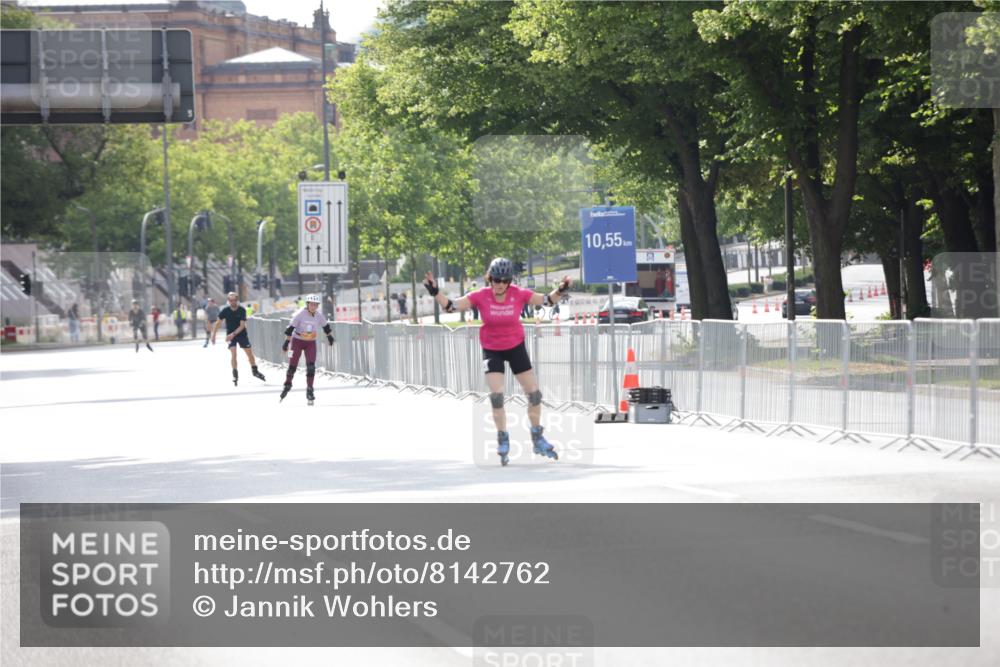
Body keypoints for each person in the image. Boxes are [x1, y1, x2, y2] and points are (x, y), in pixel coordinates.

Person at [423, 257, 571, 466]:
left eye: (504, 281)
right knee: (497, 396)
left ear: (509, 281)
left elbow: (546, 300)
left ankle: (537, 436)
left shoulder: (518, 294)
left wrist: (561, 289)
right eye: (496, 280)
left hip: (515, 347)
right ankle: (503, 437)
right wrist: (435, 291)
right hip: (492, 349)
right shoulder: (481, 296)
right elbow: (451, 307)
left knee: (535, 394)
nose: (500, 285)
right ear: (490, 279)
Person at [279, 293, 335, 405]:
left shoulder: (319, 315)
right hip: (297, 342)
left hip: (310, 343)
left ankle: (310, 390)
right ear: (307, 304)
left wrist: (330, 337)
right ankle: (288, 384)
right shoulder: (300, 314)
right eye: (311, 305)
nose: (313, 307)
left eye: (315, 305)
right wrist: (286, 342)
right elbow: (290, 329)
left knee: (311, 367)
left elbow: (326, 327)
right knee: (292, 367)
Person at [211, 292, 266, 386]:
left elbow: (242, 326)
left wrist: (233, 334)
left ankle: (255, 371)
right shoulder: (225, 310)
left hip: (241, 334)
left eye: (234, 300)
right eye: (231, 300)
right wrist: (213, 335)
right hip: (230, 335)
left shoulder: (242, 310)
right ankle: (235, 374)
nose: (233, 302)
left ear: (237, 300)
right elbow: (218, 323)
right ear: (228, 301)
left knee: (250, 354)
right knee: (233, 354)